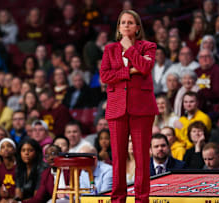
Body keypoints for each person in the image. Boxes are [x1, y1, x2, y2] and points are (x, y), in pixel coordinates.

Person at [99, 10, 158, 203]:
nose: (126, 25)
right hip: (117, 109)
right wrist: (130, 70)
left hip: (142, 108)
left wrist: (129, 49)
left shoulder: (148, 46)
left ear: (137, 27)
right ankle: (118, 200)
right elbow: (105, 76)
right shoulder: (109, 49)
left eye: (130, 22)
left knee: (141, 159)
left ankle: (142, 200)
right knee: (118, 159)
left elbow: (146, 68)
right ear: (118, 27)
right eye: (122, 22)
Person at [0, 138, 17, 202]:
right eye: (2, 147)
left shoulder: (20, 167)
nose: (6, 148)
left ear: (14, 150)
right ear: (0, 152)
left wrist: (10, 196)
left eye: (9, 146)